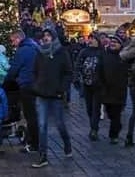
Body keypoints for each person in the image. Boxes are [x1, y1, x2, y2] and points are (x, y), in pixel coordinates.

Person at [31, 28, 73, 168]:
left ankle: (67, 144)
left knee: (60, 124)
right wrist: (36, 85)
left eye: (49, 35)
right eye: (44, 35)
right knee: (42, 125)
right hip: (41, 93)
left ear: (54, 37)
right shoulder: (39, 53)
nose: (46, 38)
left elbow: (68, 72)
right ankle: (43, 155)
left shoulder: (61, 52)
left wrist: (62, 89)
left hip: (56, 94)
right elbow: (35, 71)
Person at [8, 30, 40, 153]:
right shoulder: (35, 47)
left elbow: (14, 69)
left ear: (18, 38)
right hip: (37, 84)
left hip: (26, 84)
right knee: (35, 114)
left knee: (30, 115)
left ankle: (33, 144)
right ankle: (35, 140)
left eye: (13, 41)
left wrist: (6, 82)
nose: (12, 44)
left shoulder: (22, 51)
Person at [99, 35, 129, 143]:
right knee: (109, 111)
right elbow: (100, 70)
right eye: (112, 41)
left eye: (115, 42)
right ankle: (117, 125)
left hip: (119, 89)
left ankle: (113, 135)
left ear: (120, 45)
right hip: (106, 89)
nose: (113, 43)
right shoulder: (105, 55)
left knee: (116, 113)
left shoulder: (124, 57)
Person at [75, 32, 104, 140]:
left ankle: (94, 129)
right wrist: (76, 77)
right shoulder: (84, 51)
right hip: (86, 84)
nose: (90, 40)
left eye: (93, 39)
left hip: (98, 85)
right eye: (89, 38)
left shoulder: (102, 52)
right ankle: (93, 125)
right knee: (89, 107)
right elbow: (78, 64)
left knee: (96, 107)